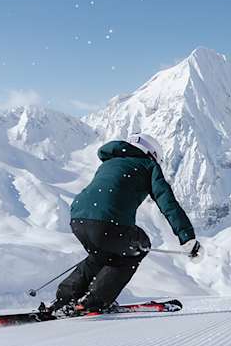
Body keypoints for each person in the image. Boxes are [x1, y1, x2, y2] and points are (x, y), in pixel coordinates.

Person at [46, 133, 199, 316]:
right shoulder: (148, 165)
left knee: (100, 256)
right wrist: (187, 237)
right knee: (139, 246)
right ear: (152, 153)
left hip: (78, 219)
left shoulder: (109, 163)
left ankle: (65, 298)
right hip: (107, 223)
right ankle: (95, 301)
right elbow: (167, 202)